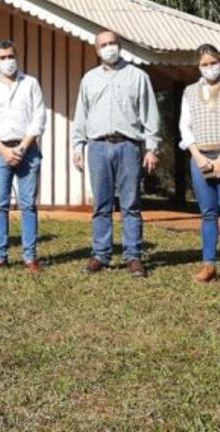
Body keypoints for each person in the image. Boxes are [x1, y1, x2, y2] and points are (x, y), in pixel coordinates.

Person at [72, 30, 160, 278]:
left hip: (128, 146)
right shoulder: (88, 79)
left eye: (112, 43)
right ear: (97, 50)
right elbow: (82, 115)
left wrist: (151, 147)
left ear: (120, 47)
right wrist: (77, 146)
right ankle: (101, 254)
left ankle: (133, 256)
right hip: (97, 146)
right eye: (104, 45)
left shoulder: (138, 77)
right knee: (101, 204)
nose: (109, 48)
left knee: (131, 204)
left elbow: (150, 115)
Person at [0, 40, 47, 272]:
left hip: (28, 150)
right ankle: (0, 255)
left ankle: (30, 257)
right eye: (2, 57)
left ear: (16, 56)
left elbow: (39, 118)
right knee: (0, 205)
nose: (7, 61)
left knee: (28, 205)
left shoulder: (31, 83)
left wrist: (23, 147)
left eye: (10, 56)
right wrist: (4, 150)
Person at [180, 44, 220, 287]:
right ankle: (209, 264)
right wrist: (196, 155)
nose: (209, 68)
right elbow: (184, 126)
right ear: (199, 67)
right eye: (204, 64)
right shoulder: (189, 92)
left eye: (213, 63)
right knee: (208, 213)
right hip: (200, 155)